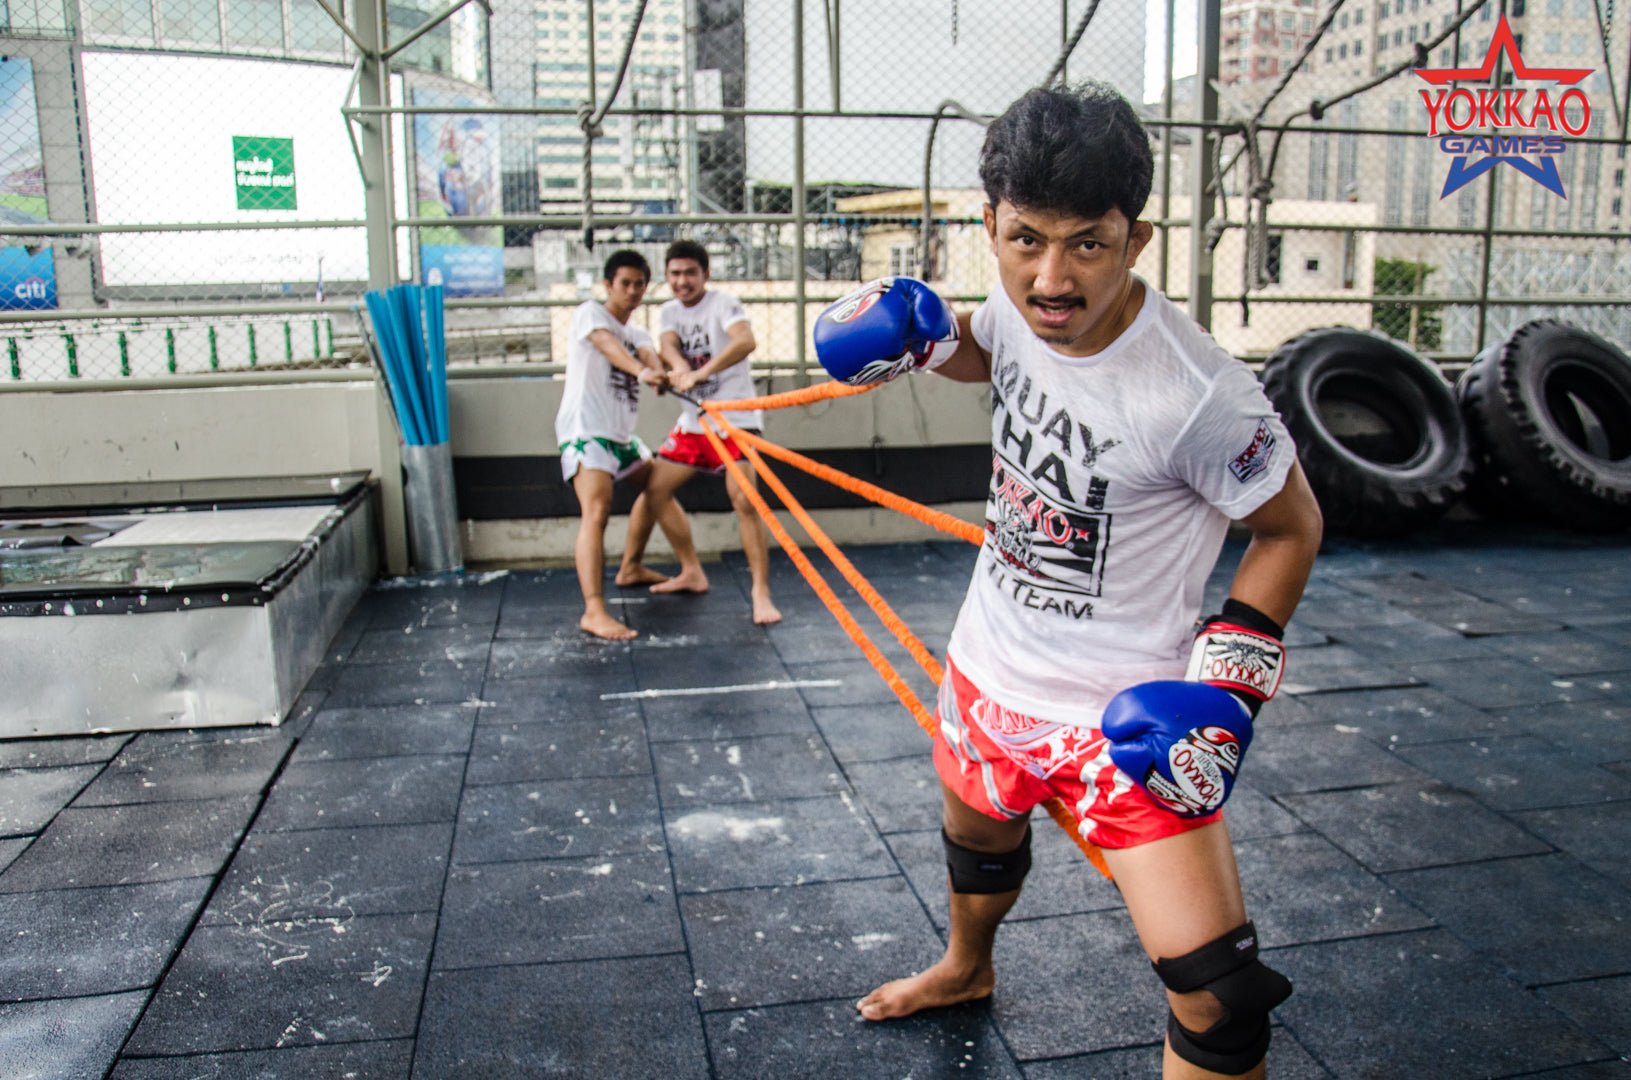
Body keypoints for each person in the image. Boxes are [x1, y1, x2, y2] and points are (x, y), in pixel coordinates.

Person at [812, 81, 1323, 1080]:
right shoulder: (1016, 307)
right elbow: (989, 351)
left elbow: (1290, 524)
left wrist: (1227, 693)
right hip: (987, 670)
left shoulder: (1199, 395)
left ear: (1136, 240)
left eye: (1087, 244)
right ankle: (965, 967)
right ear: (990, 227)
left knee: (1217, 997)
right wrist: (926, 342)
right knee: (976, 844)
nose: (1050, 279)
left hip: (1120, 721)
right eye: (1025, 240)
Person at [619, 239, 783, 625]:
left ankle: (760, 593)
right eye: (675, 274)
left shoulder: (723, 303)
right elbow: (668, 344)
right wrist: (678, 368)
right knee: (655, 490)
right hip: (694, 424)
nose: (682, 281)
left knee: (744, 501)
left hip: (734, 419)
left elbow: (746, 340)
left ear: (705, 274)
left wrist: (702, 373)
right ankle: (691, 570)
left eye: (690, 273)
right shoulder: (669, 311)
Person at [555, 249, 707, 641]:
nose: (633, 290)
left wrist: (667, 373)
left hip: (621, 438)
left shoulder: (638, 333)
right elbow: (607, 345)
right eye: (625, 283)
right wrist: (642, 371)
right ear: (608, 285)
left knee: (658, 487)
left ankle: (640, 567)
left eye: (640, 284)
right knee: (597, 511)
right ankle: (593, 611)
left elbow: (649, 358)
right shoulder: (591, 314)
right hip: (587, 432)